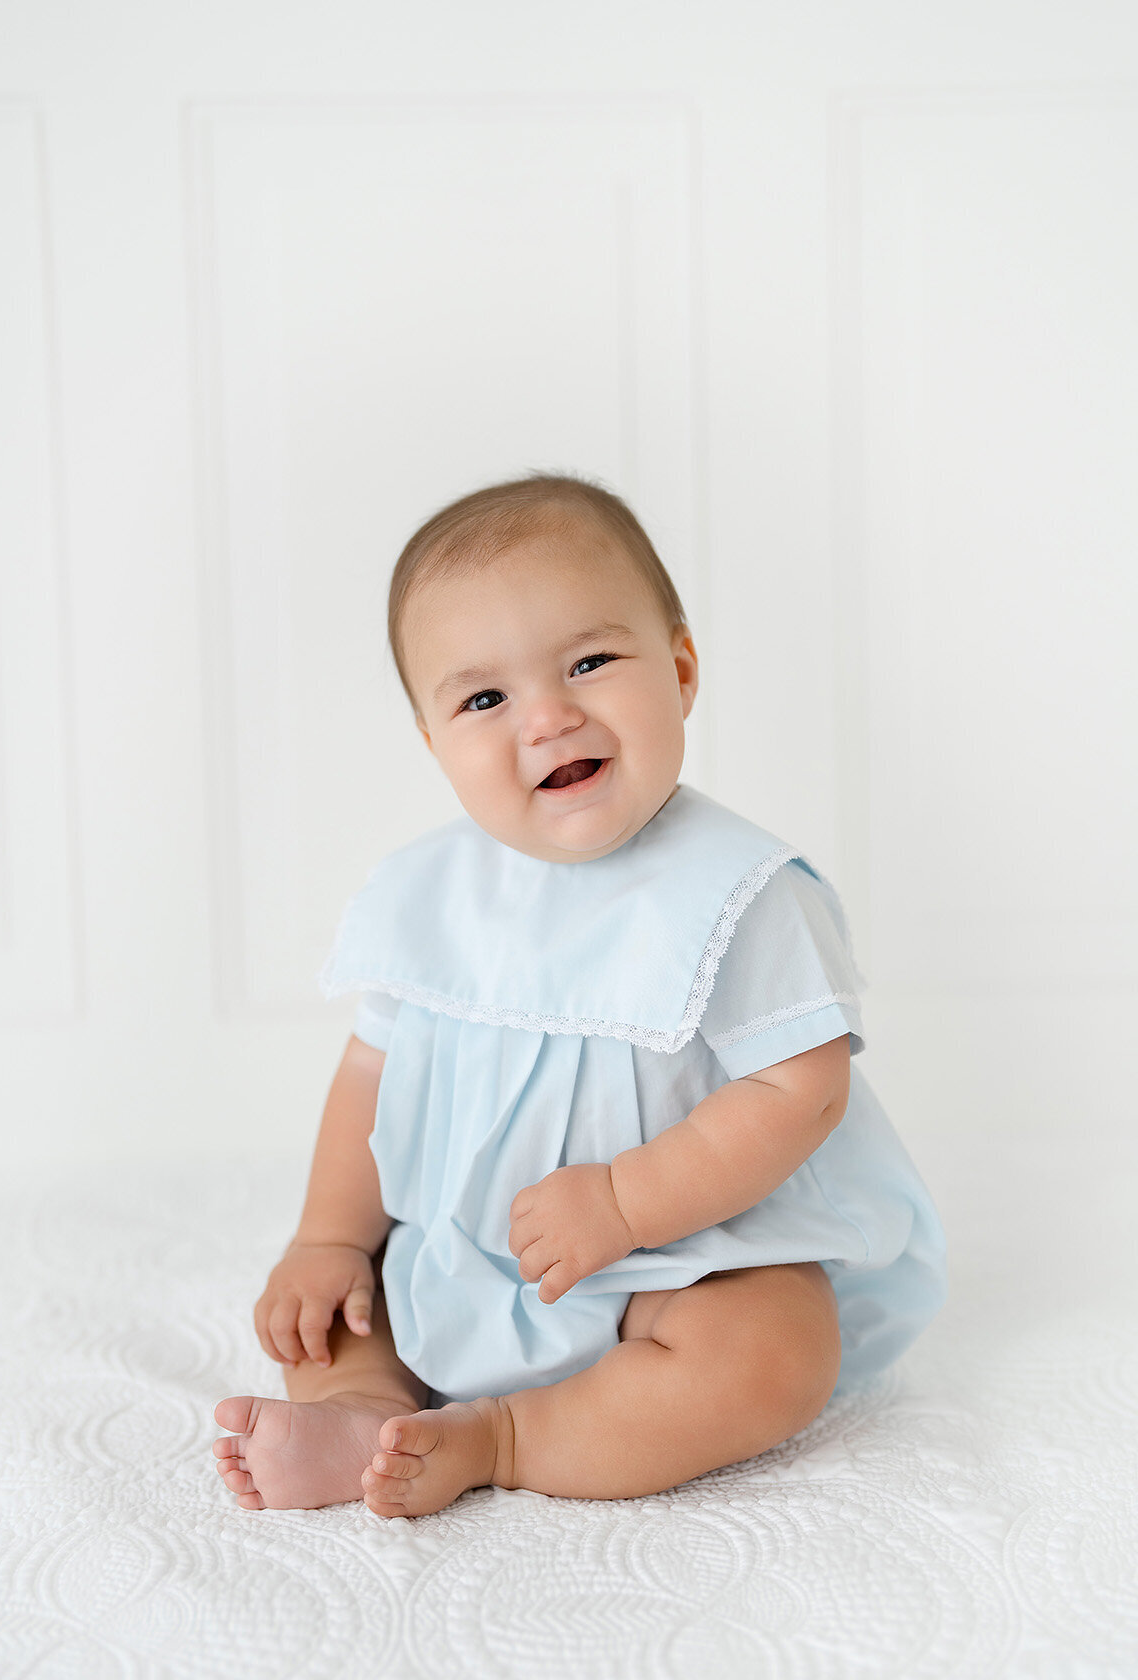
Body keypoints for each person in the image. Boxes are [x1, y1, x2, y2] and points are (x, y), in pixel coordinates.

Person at [212, 472, 947, 1518]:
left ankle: (504, 1438)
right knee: (332, 1315)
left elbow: (800, 1093)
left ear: (682, 670)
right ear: (433, 741)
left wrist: (626, 1203)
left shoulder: (740, 892)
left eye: (591, 662)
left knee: (779, 1350)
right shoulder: (429, 900)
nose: (549, 718)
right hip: (460, 1250)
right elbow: (371, 1077)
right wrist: (326, 1237)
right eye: (484, 699)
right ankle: (360, 1413)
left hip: (682, 1259)